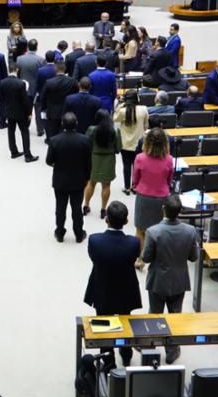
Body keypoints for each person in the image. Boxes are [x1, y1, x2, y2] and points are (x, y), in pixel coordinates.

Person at [141, 195, 198, 363]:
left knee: (154, 315)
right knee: (175, 316)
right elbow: (193, 257)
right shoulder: (190, 231)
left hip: (158, 281)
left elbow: (146, 258)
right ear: (180, 211)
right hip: (179, 281)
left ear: (163, 209)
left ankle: (149, 345)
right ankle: (172, 350)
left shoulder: (153, 231)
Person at [83, 201, 141, 367]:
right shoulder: (134, 243)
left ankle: (108, 360)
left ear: (106, 219)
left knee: (104, 325)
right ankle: (126, 353)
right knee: (125, 322)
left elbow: (94, 259)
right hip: (126, 290)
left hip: (102, 290)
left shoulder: (95, 241)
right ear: (126, 221)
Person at [131, 128, 174, 269]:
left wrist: (139, 186)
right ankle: (156, 260)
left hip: (144, 197)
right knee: (159, 231)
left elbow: (135, 179)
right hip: (161, 198)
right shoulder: (169, 159)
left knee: (140, 230)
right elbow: (169, 180)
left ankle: (140, 260)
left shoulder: (140, 158)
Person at [46, 113, 93, 242]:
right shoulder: (85, 140)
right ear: (76, 124)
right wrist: (87, 177)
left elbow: (49, 161)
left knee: (60, 208)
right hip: (79, 180)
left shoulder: (55, 140)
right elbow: (89, 163)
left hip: (60, 180)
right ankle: (78, 234)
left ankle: (60, 233)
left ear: (62, 124)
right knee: (77, 208)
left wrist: (59, 164)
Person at [82, 109, 121, 218]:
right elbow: (118, 148)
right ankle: (103, 209)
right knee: (106, 185)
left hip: (94, 159)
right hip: (108, 160)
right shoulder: (115, 131)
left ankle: (86, 205)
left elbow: (86, 144)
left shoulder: (91, 129)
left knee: (91, 183)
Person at [0, 66, 38, 162]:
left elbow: (1, 98)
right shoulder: (21, 83)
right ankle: (27, 155)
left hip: (9, 111)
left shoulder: (2, 82)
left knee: (11, 132)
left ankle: (14, 152)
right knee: (24, 132)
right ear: (17, 70)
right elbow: (24, 101)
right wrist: (29, 113)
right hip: (20, 113)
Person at [114, 90, 149, 194]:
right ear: (137, 98)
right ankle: (135, 186)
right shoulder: (143, 109)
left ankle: (127, 187)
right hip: (139, 143)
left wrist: (120, 105)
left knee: (126, 166)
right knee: (137, 165)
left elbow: (114, 118)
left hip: (125, 143)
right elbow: (146, 125)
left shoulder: (123, 111)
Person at [40, 61, 78, 142]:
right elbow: (76, 94)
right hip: (67, 112)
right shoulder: (72, 81)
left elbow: (43, 97)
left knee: (52, 136)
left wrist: (44, 108)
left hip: (52, 112)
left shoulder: (49, 82)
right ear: (65, 69)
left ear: (55, 69)